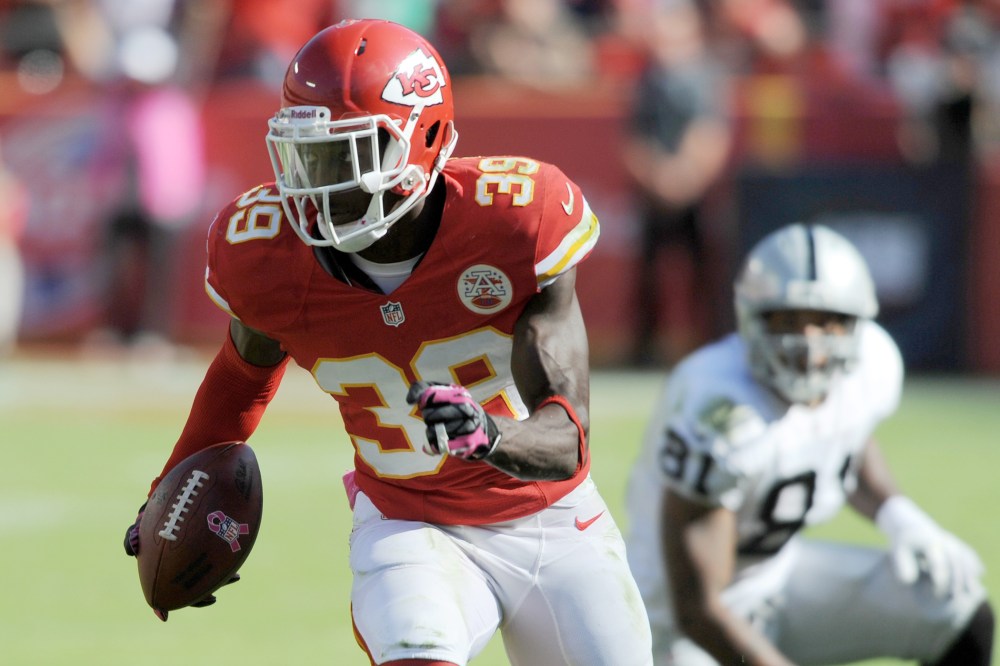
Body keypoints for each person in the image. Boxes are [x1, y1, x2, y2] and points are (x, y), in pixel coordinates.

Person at [122, 18, 653, 666]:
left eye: (349, 154)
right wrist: (168, 493)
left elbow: (568, 439)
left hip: (551, 520)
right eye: (309, 154)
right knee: (415, 651)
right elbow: (241, 374)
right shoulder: (266, 252)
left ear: (424, 139)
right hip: (410, 522)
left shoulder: (517, 221)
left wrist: (486, 434)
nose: (321, 183)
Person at [625, 223, 994, 665]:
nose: (810, 345)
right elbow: (698, 609)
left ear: (857, 324)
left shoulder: (871, 365)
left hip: (777, 581)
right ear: (750, 318)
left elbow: (846, 439)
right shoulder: (719, 410)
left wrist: (900, 517)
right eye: (788, 321)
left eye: (829, 322)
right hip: (675, 629)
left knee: (954, 604)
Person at [621, 1, 732, 367]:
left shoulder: (706, 77)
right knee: (648, 275)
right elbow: (633, 139)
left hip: (695, 194)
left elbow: (710, 133)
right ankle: (644, 347)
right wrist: (657, 177)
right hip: (654, 194)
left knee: (703, 272)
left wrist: (686, 174)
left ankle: (710, 341)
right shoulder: (646, 81)